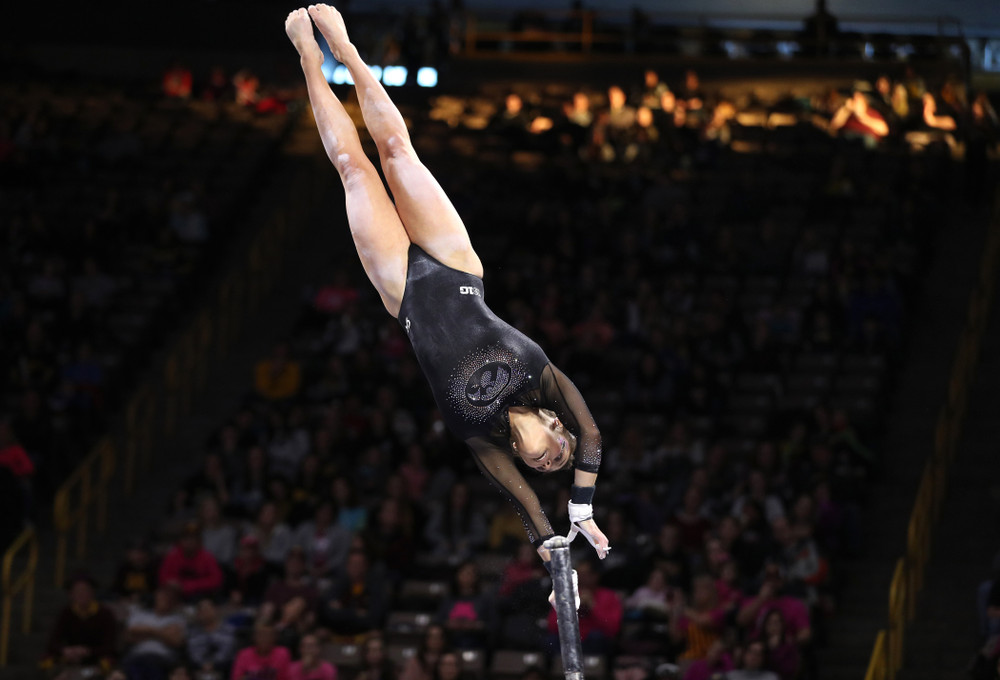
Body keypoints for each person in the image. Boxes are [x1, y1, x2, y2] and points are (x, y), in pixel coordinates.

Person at [284, 4, 609, 576]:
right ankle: (350, 52)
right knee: (396, 152)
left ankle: (310, 60)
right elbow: (593, 435)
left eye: (548, 468)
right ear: (558, 430)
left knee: (353, 167)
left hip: (403, 291)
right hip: (457, 267)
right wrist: (581, 507)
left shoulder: (483, 439)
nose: (552, 461)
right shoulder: (545, 381)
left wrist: (556, 555)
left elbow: (530, 510)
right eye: (560, 457)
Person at [41, 573, 118, 676]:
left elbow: (110, 645)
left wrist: (87, 651)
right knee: (46, 661)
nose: (81, 594)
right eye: (77, 591)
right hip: (70, 658)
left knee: (109, 665)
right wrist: (66, 651)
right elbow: (53, 642)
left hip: (96, 658)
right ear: (71, 594)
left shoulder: (105, 613)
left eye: (85, 590)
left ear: (92, 592)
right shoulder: (66, 613)